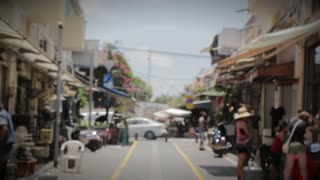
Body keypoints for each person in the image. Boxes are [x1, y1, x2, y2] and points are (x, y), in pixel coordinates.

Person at [284, 111, 312, 180]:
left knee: (288, 167)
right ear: (306, 118)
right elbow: (309, 138)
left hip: (290, 145)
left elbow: (288, 133)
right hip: (300, 145)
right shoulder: (304, 124)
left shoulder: (292, 121)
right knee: (303, 167)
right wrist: (309, 141)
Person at [234, 105, 253, 180]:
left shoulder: (238, 122)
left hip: (239, 143)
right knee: (241, 165)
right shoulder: (243, 123)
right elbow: (248, 134)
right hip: (243, 144)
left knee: (241, 164)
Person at [0, 101, 16, 180]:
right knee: (3, 162)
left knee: (2, 162)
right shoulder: (5, 112)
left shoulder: (1, 114)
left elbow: (4, 128)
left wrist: (0, 139)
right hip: (8, 141)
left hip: (4, 142)